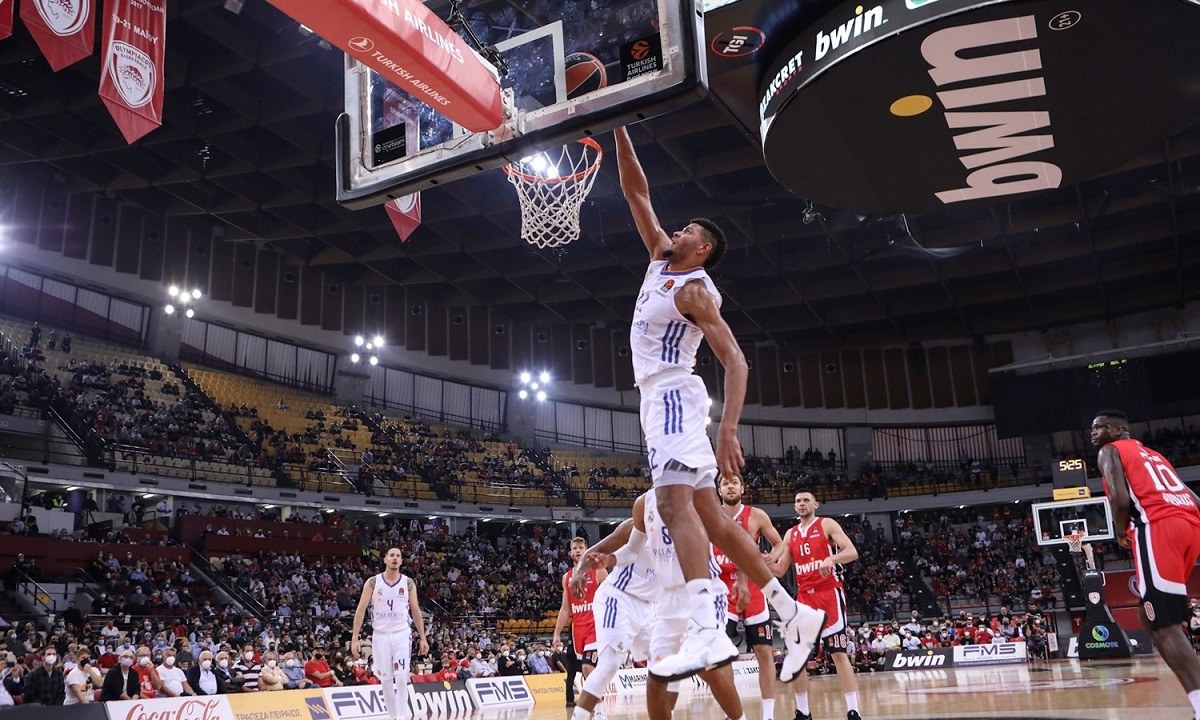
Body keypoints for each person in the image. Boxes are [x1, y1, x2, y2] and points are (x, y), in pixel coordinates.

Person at [615, 125, 823, 682]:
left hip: (674, 398)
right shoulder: (662, 259)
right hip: (660, 400)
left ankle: (708, 629)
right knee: (711, 515)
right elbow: (637, 193)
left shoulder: (695, 290)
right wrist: (614, 124)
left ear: (701, 249)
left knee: (673, 506)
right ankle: (793, 612)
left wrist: (728, 429)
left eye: (686, 230)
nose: (674, 231)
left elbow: (736, 361)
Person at [1091, 410, 1200, 720]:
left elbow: (1120, 499)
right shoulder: (1154, 455)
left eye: (1100, 427)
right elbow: (1192, 497)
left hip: (1157, 526)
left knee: (1162, 624)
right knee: (1149, 614)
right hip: (1190, 526)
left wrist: (1120, 530)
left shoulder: (1109, 451)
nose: (1094, 433)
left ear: (1119, 429)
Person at [770, 491, 862, 720]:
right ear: (794, 507)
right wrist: (757, 562)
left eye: (805, 500)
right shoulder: (790, 534)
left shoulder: (827, 524)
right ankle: (803, 712)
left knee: (839, 654)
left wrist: (832, 559)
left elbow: (852, 552)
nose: (801, 504)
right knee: (796, 656)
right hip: (804, 598)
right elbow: (780, 569)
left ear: (815, 505)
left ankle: (853, 710)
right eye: (798, 501)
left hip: (829, 593)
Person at [716, 473, 787, 720]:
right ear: (719, 490)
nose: (730, 486)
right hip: (722, 592)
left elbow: (779, 544)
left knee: (764, 653)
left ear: (742, 489)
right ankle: (735, 713)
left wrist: (772, 557)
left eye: (734, 482)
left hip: (754, 589)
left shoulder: (756, 515)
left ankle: (768, 715)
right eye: (725, 483)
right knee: (722, 655)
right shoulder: (710, 515)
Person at [351, 547, 428, 720]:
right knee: (385, 680)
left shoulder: (408, 583)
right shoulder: (372, 582)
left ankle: (401, 717)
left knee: (401, 676)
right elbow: (360, 610)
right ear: (385, 559)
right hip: (380, 635)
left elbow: (415, 610)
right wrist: (354, 638)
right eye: (391, 555)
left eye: (398, 556)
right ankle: (393, 717)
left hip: (401, 634)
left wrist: (423, 637)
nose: (395, 558)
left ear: (401, 561)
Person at [553, 537, 607, 706]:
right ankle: (596, 700)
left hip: (595, 626)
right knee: (586, 672)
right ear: (570, 553)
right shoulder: (566, 577)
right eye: (575, 548)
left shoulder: (598, 571)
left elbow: (613, 596)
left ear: (587, 550)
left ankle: (599, 711)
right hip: (578, 629)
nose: (578, 550)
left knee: (587, 668)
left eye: (581, 547)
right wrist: (556, 634)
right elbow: (565, 609)